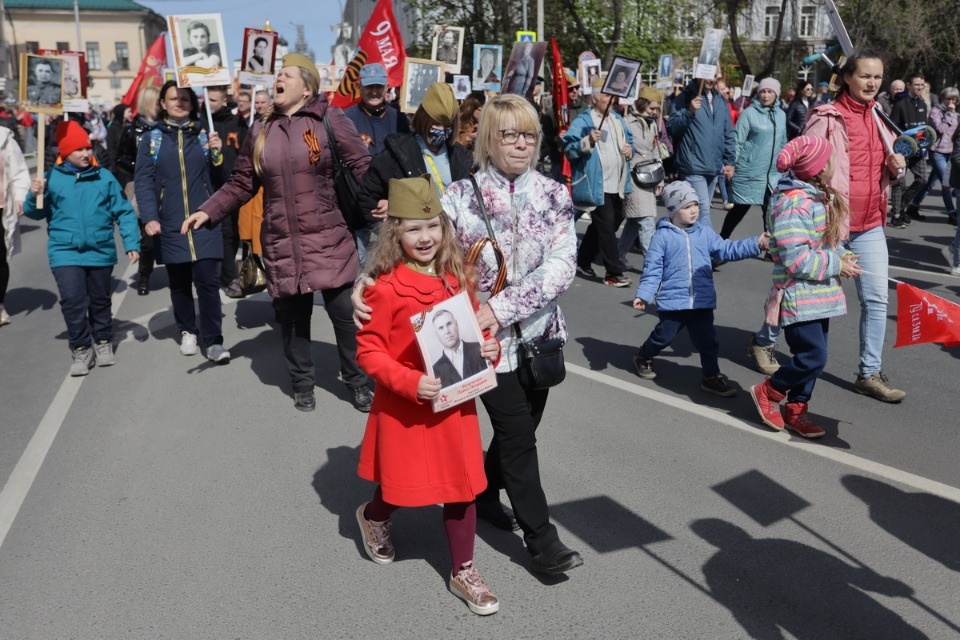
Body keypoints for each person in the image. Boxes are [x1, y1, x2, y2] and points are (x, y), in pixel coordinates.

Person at [354, 94, 584, 575]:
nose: (521, 144)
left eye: (529, 135)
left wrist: (500, 308)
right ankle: (542, 540)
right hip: (478, 342)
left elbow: (563, 266)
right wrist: (367, 283)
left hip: (539, 337)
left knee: (515, 439)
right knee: (518, 436)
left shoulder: (554, 194)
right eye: (509, 134)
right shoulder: (458, 196)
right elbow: (417, 247)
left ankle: (485, 490)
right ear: (487, 139)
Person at [182, 54, 374, 412]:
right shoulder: (260, 130)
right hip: (282, 241)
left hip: (328, 237)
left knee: (345, 316)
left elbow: (362, 165)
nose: (277, 79)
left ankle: (358, 380)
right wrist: (207, 211)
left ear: (307, 86)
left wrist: (384, 200)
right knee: (293, 319)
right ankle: (302, 382)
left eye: (285, 74)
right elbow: (241, 183)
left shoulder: (329, 119)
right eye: (277, 75)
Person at [355, 175, 500, 615]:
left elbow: (477, 333)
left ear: (445, 229)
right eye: (414, 229)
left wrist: (489, 350)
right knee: (401, 487)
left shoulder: (458, 279)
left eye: (434, 226)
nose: (425, 237)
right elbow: (369, 351)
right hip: (406, 407)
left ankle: (464, 570)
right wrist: (407, 381)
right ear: (395, 232)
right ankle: (375, 516)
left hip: (455, 407)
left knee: (462, 487)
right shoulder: (384, 287)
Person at [747, 51, 907, 402]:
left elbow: (887, 167)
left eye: (877, 77)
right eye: (865, 76)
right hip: (830, 222)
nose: (872, 83)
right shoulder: (826, 116)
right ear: (847, 77)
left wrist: (898, 168)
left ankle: (869, 373)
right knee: (804, 294)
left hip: (870, 223)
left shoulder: (881, 116)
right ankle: (763, 340)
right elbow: (805, 162)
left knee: (877, 298)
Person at [749, 136, 862, 437]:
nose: (835, 163)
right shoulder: (794, 203)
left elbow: (826, 242)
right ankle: (769, 392)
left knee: (813, 358)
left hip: (819, 294)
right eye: (832, 158)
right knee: (814, 357)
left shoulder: (815, 196)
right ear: (820, 167)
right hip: (798, 295)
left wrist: (844, 255)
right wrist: (837, 264)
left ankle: (797, 409)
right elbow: (795, 258)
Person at [22, 121, 140, 374]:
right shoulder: (51, 178)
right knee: (73, 301)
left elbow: (124, 212)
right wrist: (34, 195)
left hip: (100, 250)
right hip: (65, 251)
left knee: (99, 300)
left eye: (88, 148)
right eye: (79, 150)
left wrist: (131, 242)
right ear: (65, 153)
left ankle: (104, 340)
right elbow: (34, 213)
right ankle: (81, 349)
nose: (86, 153)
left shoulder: (104, 177)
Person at [631, 180, 766, 395]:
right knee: (663, 337)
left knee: (708, 342)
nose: (694, 211)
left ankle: (710, 376)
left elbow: (725, 249)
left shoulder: (704, 233)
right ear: (673, 210)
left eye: (695, 205)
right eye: (686, 207)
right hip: (674, 303)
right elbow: (652, 270)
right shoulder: (662, 236)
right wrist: (644, 295)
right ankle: (643, 355)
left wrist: (755, 244)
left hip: (701, 301)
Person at [134, 80, 231, 364]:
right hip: (171, 222)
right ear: (162, 103)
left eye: (185, 99)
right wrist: (150, 216)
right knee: (179, 283)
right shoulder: (151, 139)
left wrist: (217, 154)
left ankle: (213, 341)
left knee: (208, 283)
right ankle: (188, 329)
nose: (179, 103)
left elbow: (221, 181)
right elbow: (143, 181)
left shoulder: (204, 135)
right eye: (173, 98)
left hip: (204, 220)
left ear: (193, 103)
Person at [357, 82, 471, 227]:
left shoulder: (461, 156)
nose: (442, 129)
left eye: (447, 125)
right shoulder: (397, 153)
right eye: (437, 123)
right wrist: (389, 212)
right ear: (424, 118)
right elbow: (367, 197)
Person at [564, 77, 634, 287]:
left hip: (618, 183)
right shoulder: (584, 121)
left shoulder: (617, 119)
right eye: (605, 94)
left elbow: (629, 142)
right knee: (605, 224)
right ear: (594, 98)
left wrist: (629, 150)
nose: (610, 98)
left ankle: (584, 257)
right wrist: (588, 141)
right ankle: (613, 272)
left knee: (610, 223)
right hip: (596, 184)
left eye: (611, 94)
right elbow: (569, 149)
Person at [667, 73, 736, 231]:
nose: (711, 80)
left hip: (713, 166)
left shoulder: (720, 100)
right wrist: (689, 111)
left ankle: (688, 246)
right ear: (699, 74)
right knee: (703, 210)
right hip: (693, 165)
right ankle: (709, 250)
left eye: (714, 77)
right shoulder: (685, 97)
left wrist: (730, 161)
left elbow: (728, 132)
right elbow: (672, 128)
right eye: (707, 76)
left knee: (699, 212)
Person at [721, 78, 787, 240]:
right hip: (749, 171)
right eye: (763, 92)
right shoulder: (749, 114)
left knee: (770, 211)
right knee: (739, 210)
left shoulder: (781, 115)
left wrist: (785, 164)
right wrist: (731, 165)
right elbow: (737, 141)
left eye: (770, 92)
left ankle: (770, 249)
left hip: (771, 175)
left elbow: (783, 142)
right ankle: (720, 243)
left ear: (776, 94)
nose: (765, 95)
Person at [115, 85, 160, 295]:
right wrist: (141, 167)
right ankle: (144, 276)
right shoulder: (131, 130)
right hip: (141, 186)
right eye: (158, 100)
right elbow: (121, 158)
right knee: (147, 237)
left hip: (165, 186)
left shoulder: (167, 128)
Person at [203, 86, 245, 298]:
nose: (208, 103)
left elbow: (244, 150)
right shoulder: (201, 123)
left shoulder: (236, 123)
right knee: (221, 232)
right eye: (206, 99)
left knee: (234, 232)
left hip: (234, 184)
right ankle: (225, 276)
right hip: (210, 186)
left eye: (213, 99)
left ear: (224, 100)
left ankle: (228, 274)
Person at [618, 86, 665, 271]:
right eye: (652, 108)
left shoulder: (652, 124)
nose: (655, 112)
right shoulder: (626, 122)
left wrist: (660, 179)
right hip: (632, 175)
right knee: (646, 220)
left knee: (633, 221)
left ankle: (618, 255)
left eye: (656, 109)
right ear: (642, 103)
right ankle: (652, 264)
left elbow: (655, 150)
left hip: (649, 176)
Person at [906, 86, 958, 224]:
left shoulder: (954, 113)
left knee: (929, 183)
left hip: (950, 151)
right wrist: (950, 113)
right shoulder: (936, 111)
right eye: (948, 98)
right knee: (947, 183)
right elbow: (941, 129)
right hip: (937, 152)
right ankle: (952, 213)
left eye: (954, 99)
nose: (951, 102)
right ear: (942, 98)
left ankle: (913, 206)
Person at [0, 118, 31, 326]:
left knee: (0, 258)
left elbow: (19, 171)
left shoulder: (3, 138)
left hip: (0, 207)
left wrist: (20, 196)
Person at [889, 75, 930, 228]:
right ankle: (896, 215)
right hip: (903, 149)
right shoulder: (900, 105)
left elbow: (923, 129)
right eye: (917, 84)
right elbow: (892, 127)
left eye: (922, 85)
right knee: (900, 182)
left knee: (922, 179)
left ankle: (903, 206)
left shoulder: (923, 104)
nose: (920, 87)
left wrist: (924, 144)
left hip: (918, 150)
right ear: (909, 86)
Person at [344, 63, 411, 156]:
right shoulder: (347, 119)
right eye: (369, 87)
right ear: (360, 87)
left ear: (387, 87)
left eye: (379, 86)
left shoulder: (398, 117)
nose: (374, 92)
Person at [431, 309, 488, 386]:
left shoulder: (480, 348)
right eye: (441, 328)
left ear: (456, 324)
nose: (447, 331)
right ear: (436, 334)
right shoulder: (435, 370)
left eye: (449, 324)